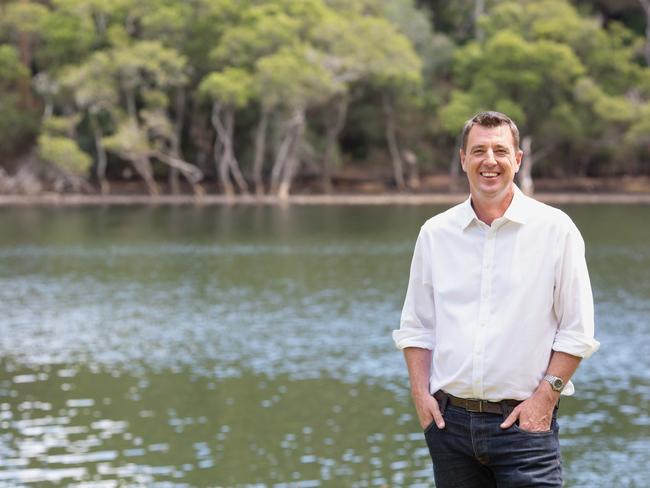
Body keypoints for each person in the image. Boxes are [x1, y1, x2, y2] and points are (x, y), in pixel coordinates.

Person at [392, 111, 599, 487]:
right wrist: (421, 397)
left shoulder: (556, 230)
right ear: (463, 159)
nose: (490, 160)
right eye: (479, 150)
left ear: (517, 159)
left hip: (525, 429)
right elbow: (418, 327)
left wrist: (543, 401)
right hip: (449, 427)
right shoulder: (435, 234)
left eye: (500, 150)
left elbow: (577, 330)